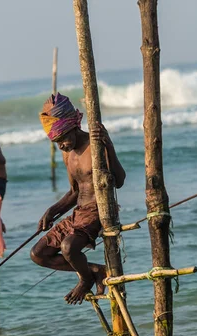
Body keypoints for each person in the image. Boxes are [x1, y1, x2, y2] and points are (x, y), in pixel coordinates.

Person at [30, 93, 126, 305]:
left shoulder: (96, 146)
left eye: (63, 138)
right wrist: (51, 211)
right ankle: (95, 270)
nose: (62, 146)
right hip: (78, 214)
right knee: (38, 254)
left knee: (68, 247)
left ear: (74, 126)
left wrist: (109, 145)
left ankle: (85, 280)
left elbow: (119, 180)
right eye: (56, 142)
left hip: (98, 210)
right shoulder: (67, 154)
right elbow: (74, 191)